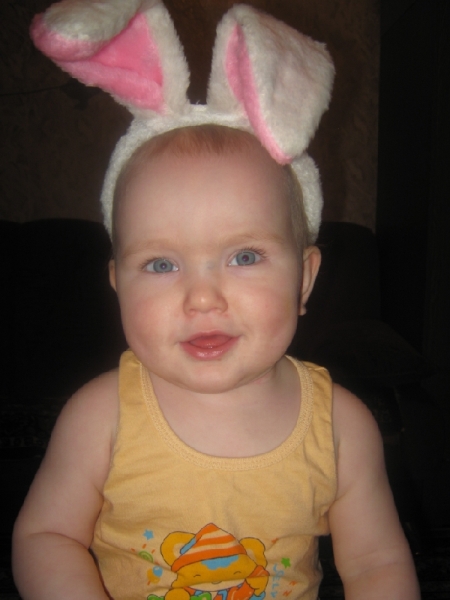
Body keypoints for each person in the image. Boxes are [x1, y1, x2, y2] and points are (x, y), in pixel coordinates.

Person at [13, 2, 420, 599]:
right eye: (161, 264)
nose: (202, 298)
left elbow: (376, 565)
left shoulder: (341, 427)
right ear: (118, 285)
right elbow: (46, 536)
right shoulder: (101, 417)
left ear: (305, 281)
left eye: (245, 256)